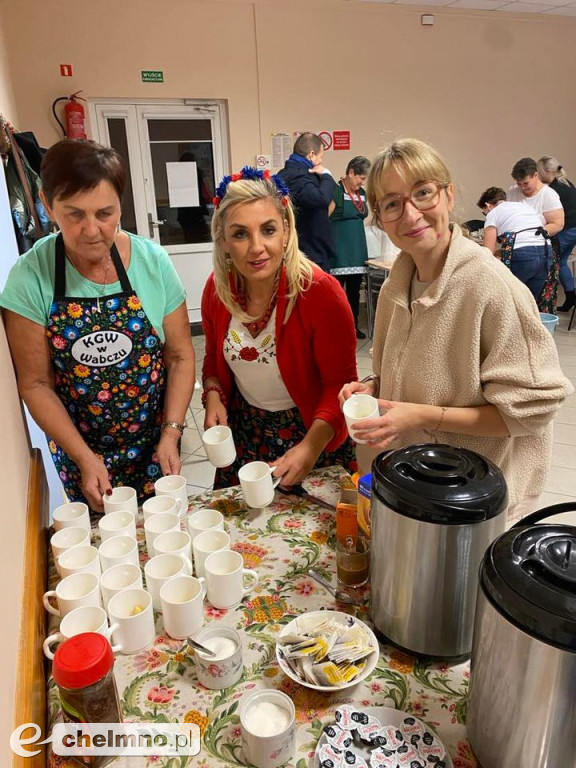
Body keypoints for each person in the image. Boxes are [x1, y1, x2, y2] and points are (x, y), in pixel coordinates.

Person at [339, 138, 572, 519]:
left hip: (475, 504)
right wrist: (373, 389)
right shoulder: (396, 288)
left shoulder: (491, 288)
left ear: (448, 195)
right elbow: (408, 375)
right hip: (417, 488)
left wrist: (420, 416)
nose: (411, 214)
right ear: (380, 219)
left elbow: (532, 411)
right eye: (393, 204)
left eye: (423, 193)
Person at [0, 139, 196, 512]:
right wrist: (84, 458)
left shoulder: (153, 262)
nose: (92, 230)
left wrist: (172, 432)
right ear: (47, 205)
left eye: (105, 213)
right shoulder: (29, 277)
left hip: (156, 441)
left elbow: (181, 356)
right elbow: (36, 383)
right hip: (82, 452)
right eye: (75, 214)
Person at [201, 166, 358, 489]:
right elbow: (213, 363)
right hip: (246, 433)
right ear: (224, 241)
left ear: (286, 230)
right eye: (240, 234)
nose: (256, 247)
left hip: (312, 433)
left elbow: (339, 385)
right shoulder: (218, 290)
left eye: (268, 230)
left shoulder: (320, 292)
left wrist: (311, 448)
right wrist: (214, 396)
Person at [477, 186, 553, 303]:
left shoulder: (493, 213)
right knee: (531, 303)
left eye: (484, 212)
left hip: (522, 255)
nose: (486, 215)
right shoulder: (524, 207)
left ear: (488, 206)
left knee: (513, 301)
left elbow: (487, 252)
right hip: (545, 251)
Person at [277, 133, 337, 273]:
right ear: (311, 155)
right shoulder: (298, 176)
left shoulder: (284, 173)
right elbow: (320, 199)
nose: (321, 162)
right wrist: (327, 175)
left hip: (301, 249)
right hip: (309, 252)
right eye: (320, 156)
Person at [329, 156, 371, 339]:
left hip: (357, 250)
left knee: (354, 292)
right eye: (360, 177)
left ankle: (353, 326)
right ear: (351, 172)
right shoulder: (336, 192)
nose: (362, 182)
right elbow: (324, 218)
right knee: (337, 294)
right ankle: (336, 328)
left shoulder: (362, 193)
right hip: (339, 251)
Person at [537, 156, 576, 312]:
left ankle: (546, 302)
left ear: (547, 171)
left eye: (540, 172)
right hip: (573, 229)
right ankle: (571, 297)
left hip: (568, 229)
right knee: (561, 262)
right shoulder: (566, 183)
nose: (539, 176)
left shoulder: (553, 189)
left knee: (550, 262)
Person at [508, 157, 564, 235]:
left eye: (526, 183)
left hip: (536, 241)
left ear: (536, 175)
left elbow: (558, 224)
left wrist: (531, 234)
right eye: (519, 183)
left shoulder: (548, 195)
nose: (522, 187)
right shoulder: (513, 191)